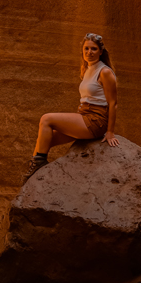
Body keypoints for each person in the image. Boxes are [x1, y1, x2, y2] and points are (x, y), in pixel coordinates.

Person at [23, 32, 119, 181]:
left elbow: (113, 103)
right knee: (44, 140)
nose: (89, 52)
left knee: (46, 119)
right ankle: (34, 174)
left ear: (100, 51)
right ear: (82, 50)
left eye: (93, 49)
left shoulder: (105, 71)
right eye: (86, 48)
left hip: (95, 120)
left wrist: (110, 132)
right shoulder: (88, 69)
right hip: (84, 115)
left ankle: (39, 165)